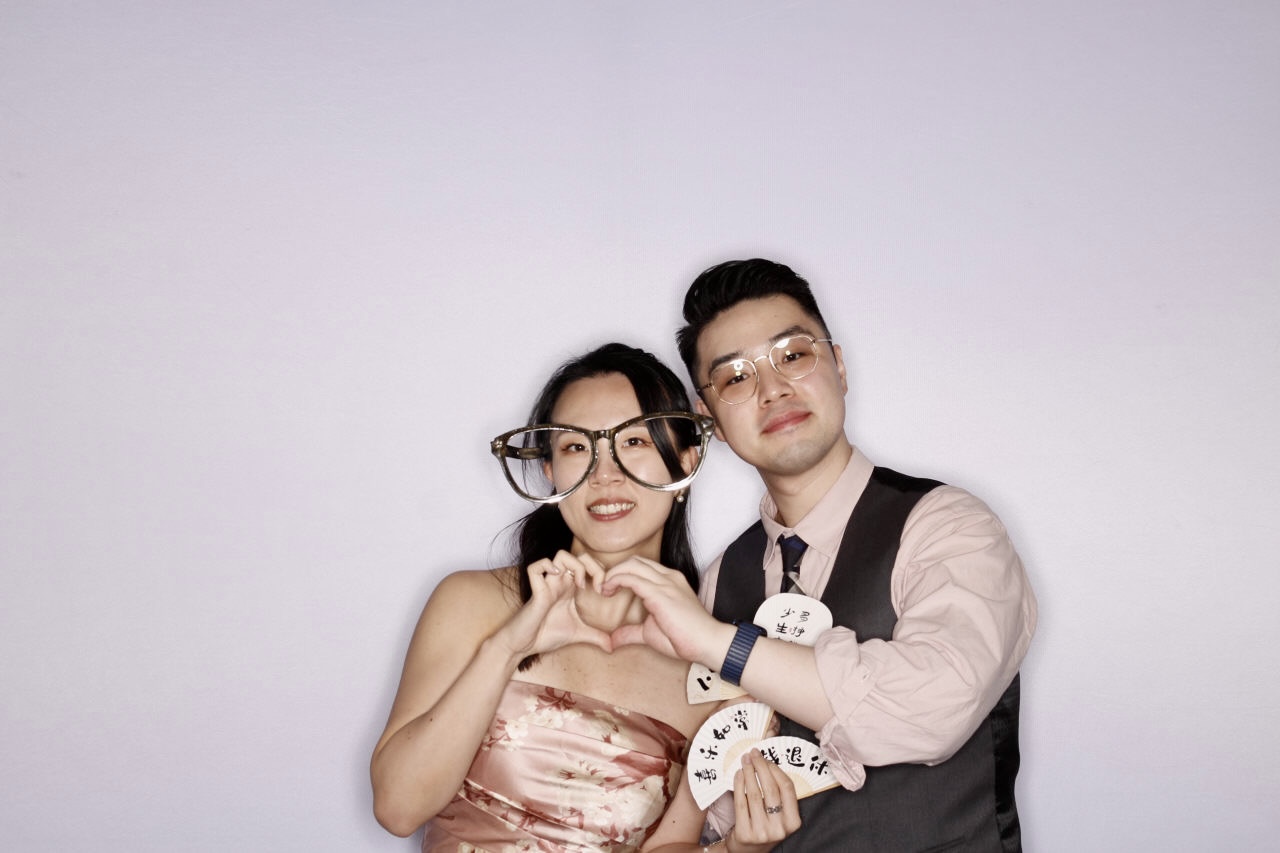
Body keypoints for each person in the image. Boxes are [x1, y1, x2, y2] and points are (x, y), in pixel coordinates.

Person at [602, 261, 1038, 851]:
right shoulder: (718, 582)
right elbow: (713, 797)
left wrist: (718, 644)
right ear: (712, 424)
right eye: (734, 377)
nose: (772, 388)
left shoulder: (947, 526)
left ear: (838, 364)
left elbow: (935, 708)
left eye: (793, 355)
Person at [370, 342, 802, 853]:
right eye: (577, 448)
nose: (605, 475)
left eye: (636, 441)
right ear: (550, 471)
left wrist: (738, 850)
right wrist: (506, 648)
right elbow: (398, 809)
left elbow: (669, 845)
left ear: (685, 463)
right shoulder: (470, 603)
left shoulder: (711, 672)